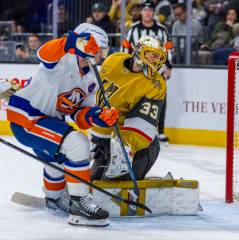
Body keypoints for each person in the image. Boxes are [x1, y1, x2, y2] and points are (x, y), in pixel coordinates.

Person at [6, 23, 118, 227]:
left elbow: (79, 114)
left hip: (48, 122)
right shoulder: (63, 59)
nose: (102, 55)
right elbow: (44, 54)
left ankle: (54, 198)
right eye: (100, 49)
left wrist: (97, 116)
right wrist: (70, 42)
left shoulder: (92, 78)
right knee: (77, 144)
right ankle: (79, 205)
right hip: (27, 117)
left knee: (58, 158)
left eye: (104, 50)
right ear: (87, 45)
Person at [90, 35, 167, 181]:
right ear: (138, 51)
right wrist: (97, 135)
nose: (155, 61)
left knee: (116, 185)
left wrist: (122, 148)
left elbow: (143, 126)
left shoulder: (156, 84)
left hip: (137, 147)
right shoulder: (114, 60)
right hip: (106, 138)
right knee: (92, 182)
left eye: (159, 57)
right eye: (151, 54)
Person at [121, 0, 173, 145]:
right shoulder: (132, 29)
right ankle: (128, 127)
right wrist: (126, 67)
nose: (148, 13)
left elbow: (168, 50)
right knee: (134, 99)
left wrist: (168, 67)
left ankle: (160, 131)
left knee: (159, 100)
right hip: (137, 71)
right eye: (145, 10)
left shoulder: (162, 30)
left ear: (153, 12)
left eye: (150, 10)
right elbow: (125, 50)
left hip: (157, 71)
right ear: (141, 12)